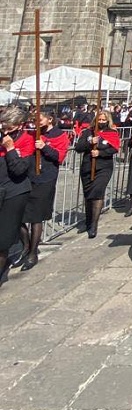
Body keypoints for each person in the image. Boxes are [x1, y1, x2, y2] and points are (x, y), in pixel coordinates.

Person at [18, 108, 70, 269]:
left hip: (45, 178)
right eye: (35, 119)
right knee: (18, 215)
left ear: (49, 119)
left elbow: (59, 156)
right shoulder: (31, 133)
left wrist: (45, 147)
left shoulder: (59, 135)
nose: (37, 121)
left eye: (40, 119)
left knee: (36, 217)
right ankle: (26, 245)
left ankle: (33, 252)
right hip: (27, 177)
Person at [75, 109, 120, 238]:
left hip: (103, 167)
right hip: (88, 166)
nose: (101, 122)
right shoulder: (88, 132)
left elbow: (114, 149)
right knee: (88, 195)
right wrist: (90, 142)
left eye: (103, 120)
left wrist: (100, 152)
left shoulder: (111, 133)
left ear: (107, 121)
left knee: (97, 192)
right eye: (99, 120)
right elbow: (78, 148)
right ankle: (88, 221)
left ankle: (94, 225)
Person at [0, 107, 32, 290]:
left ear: (19, 125)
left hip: (14, 192)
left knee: (3, 238)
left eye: (9, 126)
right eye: (3, 125)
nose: (5, 130)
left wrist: (11, 148)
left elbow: (19, 170)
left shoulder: (26, 140)